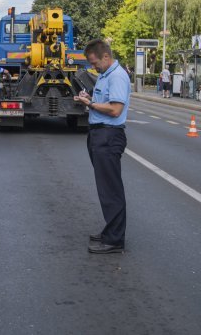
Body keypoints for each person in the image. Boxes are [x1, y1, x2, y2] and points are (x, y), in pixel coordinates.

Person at [73, 39, 130, 254]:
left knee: (111, 190)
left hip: (109, 135)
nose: (93, 67)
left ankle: (115, 240)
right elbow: (104, 102)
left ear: (106, 56)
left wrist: (90, 104)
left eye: (94, 62)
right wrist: (89, 98)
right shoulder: (106, 75)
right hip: (100, 134)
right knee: (106, 188)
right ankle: (110, 232)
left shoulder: (116, 76)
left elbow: (115, 109)